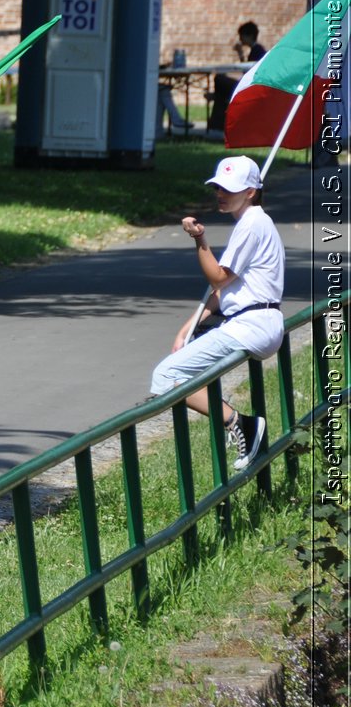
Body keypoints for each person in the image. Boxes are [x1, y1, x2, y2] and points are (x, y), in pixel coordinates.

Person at [149, 156, 282, 472]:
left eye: (230, 188)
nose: (221, 193)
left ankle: (241, 425)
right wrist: (187, 329)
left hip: (251, 325)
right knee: (179, 367)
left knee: (165, 377)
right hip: (256, 321)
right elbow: (225, 291)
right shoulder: (254, 222)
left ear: (250, 191)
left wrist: (199, 239)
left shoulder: (252, 223)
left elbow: (218, 278)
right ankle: (238, 425)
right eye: (218, 187)